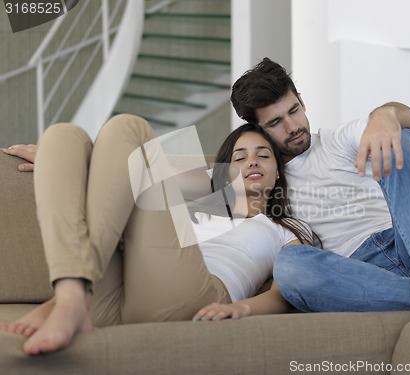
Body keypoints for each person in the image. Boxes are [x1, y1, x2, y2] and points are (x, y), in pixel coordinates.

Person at [219, 57, 410, 330]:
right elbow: (206, 198)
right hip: (361, 276)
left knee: (399, 137)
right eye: (275, 122)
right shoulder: (261, 181)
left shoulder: (337, 141)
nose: (292, 127)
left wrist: (385, 115)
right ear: (259, 130)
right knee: (290, 266)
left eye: (293, 110)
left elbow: (407, 118)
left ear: (302, 100)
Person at [0, 116, 312, 355]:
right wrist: (62, 163)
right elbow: (130, 169)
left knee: (128, 127)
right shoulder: (197, 198)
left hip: (191, 297)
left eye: (263, 155)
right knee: (62, 137)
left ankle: (67, 298)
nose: (252, 161)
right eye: (240, 157)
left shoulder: (283, 230)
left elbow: (287, 288)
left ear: (278, 171)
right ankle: (73, 294)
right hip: (115, 295)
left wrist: (242, 308)